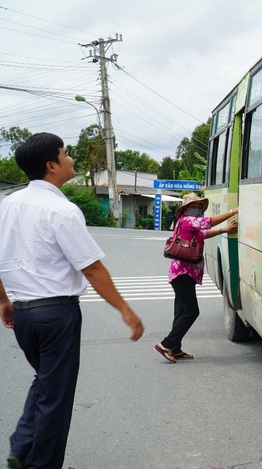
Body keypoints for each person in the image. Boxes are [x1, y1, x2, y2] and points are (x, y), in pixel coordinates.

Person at [0, 132, 144, 469]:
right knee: (57, 399)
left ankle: (21, 447)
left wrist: (4, 300)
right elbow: (92, 269)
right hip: (56, 314)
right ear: (51, 165)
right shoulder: (62, 210)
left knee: (46, 381)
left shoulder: (8, 205)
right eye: (66, 155)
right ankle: (39, 464)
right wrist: (126, 310)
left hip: (23, 314)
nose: (71, 160)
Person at [154, 193, 238, 363]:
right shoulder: (186, 221)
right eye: (194, 206)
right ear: (185, 209)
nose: (198, 209)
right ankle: (166, 344)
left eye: (200, 207)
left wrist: (224, 230)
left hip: (186, 274)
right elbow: (208, 222)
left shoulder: (192, 227)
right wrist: (233, 211)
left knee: (181, 312)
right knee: (191, 311)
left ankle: (175, 348)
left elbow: (203, 234)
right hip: (182, 274)